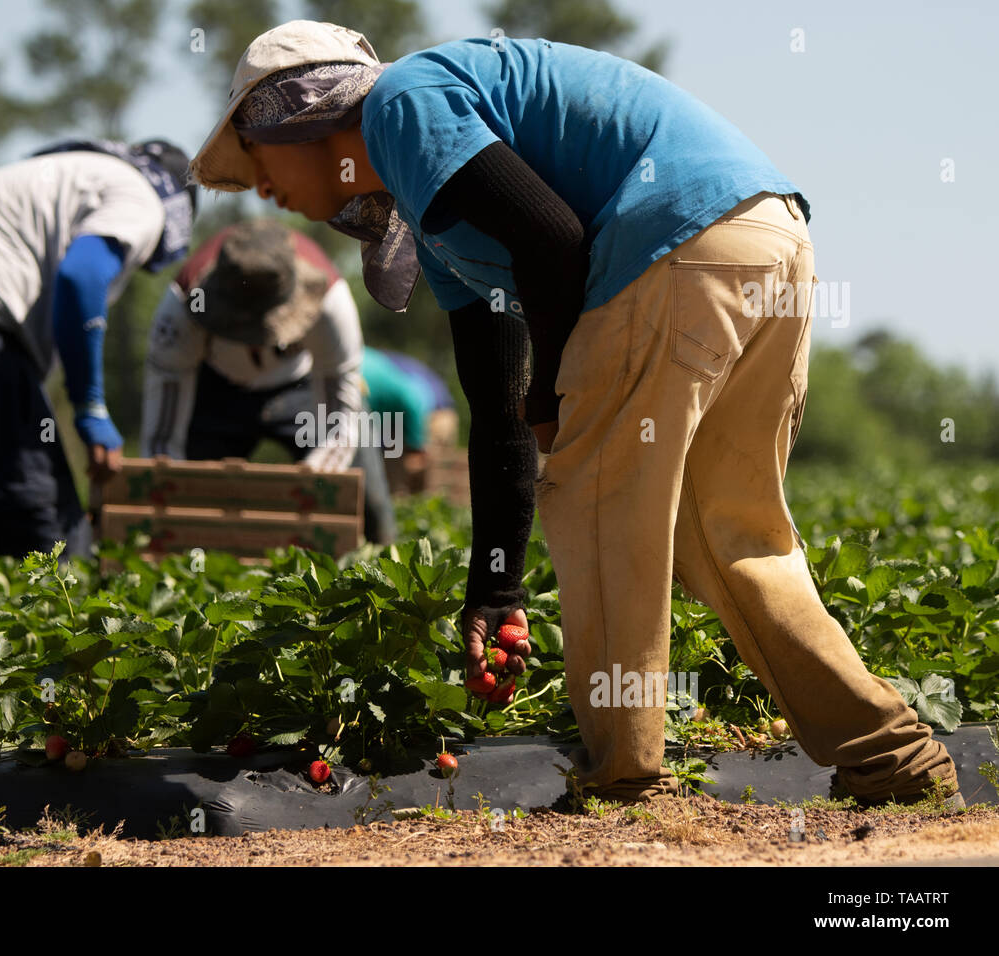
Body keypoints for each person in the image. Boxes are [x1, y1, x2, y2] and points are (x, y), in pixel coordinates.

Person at [187, 20, 961, 807]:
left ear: (304, 115)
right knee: (723, 531)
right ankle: (893, 758)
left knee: (597, 504)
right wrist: (495, 588)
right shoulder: (443, 212)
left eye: (253, 153)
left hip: (673, 245)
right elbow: (497, 415)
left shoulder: (399, 103)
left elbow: (552, 237)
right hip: (764, 238)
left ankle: (624, 779)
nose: (257, 186)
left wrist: (554, 392)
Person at [0, 138, 195, 580]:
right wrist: (90, 407)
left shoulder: (59, 173)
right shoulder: (141, 194)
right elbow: (82, 278)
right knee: (40, 556)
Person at [141, 219, 396, 545]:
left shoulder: (331, 302)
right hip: (216, 391)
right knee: (192, 503)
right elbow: (162, 438)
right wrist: (172, 490)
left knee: (367, 501)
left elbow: (340, 424)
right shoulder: (182, 306)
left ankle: (381, 570)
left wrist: (317, 478)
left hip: (301, 387)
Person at [359, 346, 457, 492]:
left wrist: (417, 446)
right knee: (389, 482)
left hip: (433, 413)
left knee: (416, 482)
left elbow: (411, 399)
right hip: (400, 417)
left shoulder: (360, 371)